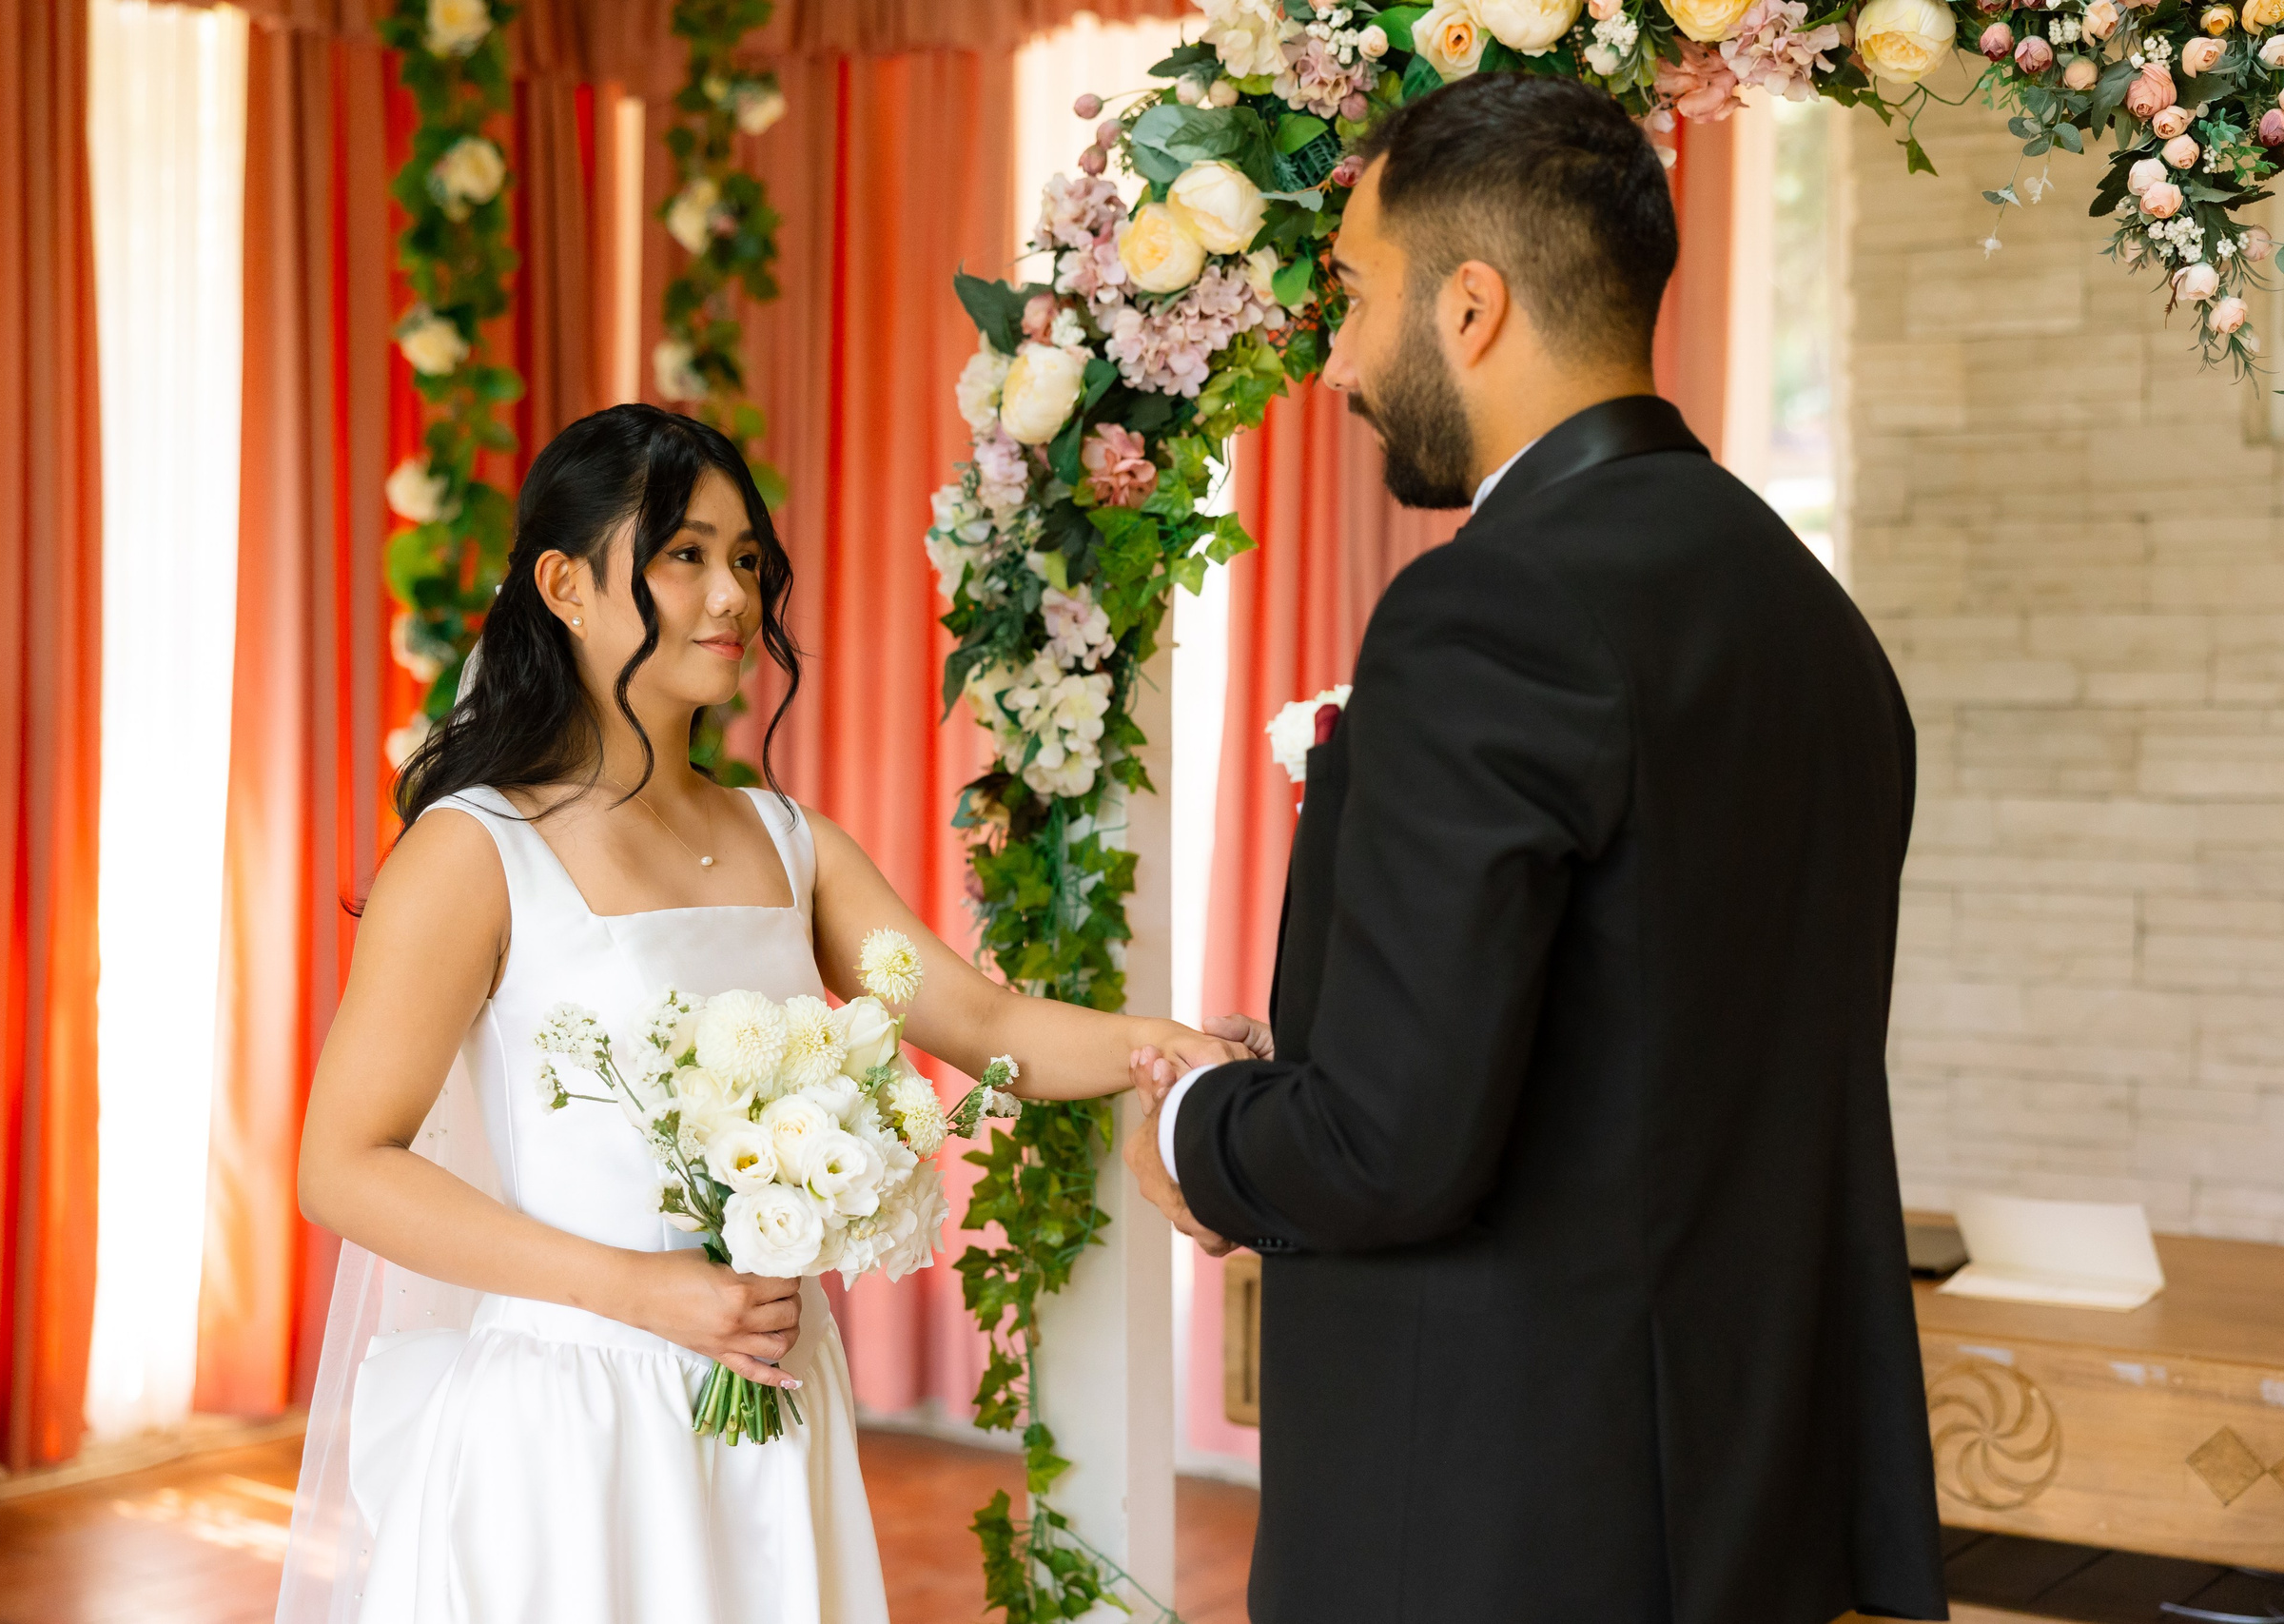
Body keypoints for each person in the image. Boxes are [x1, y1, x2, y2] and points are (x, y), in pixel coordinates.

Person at [1123, 74, 1951, 1624]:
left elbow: (1393, 1142)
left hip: (1499, 1527)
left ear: (1474, 306)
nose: (1343, 365)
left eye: (1356, 302)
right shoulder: (1807, 616)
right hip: (1739, 1516)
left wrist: (1191, 1121)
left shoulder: (1488, 608)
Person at [281, 403, 1240, 1624]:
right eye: (685, 553)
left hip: (769, 1396)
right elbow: (342, 1168)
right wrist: (634, 1289)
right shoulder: (476, 853)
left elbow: (984, 1026)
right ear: (564, 585)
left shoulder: (789, 844)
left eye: (746, 559)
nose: (732, 595)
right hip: (574, 1425)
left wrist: (1176, 1054)